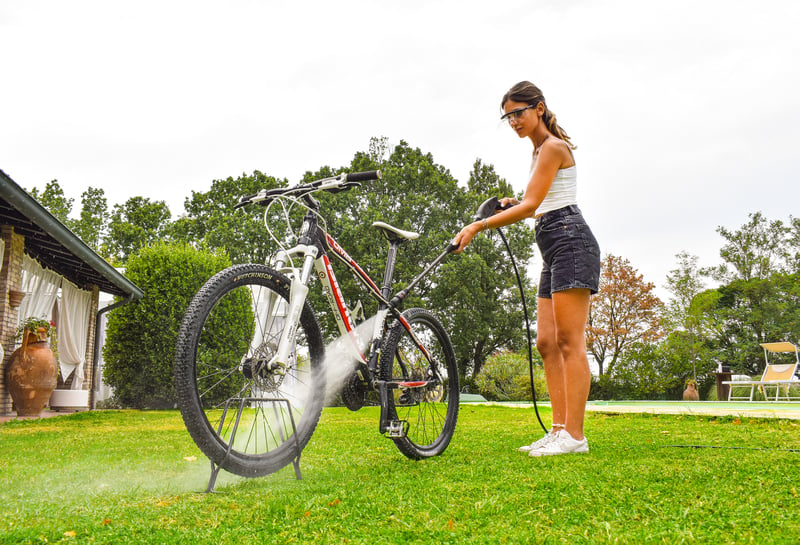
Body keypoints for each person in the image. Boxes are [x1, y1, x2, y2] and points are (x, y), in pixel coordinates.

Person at [453, 81, 600, 457]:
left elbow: (535, 205)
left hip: (570, 241)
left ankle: (575, 437)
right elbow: (537, 203)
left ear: (538, 108)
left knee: (569, 342)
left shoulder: (552, 147)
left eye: (518, 112)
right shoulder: (538, 151)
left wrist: (479, 225)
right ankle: (558, 429)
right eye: (507, 116)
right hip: (553, 244)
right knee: (547, 343)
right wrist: (514, 202)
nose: (513, 121)